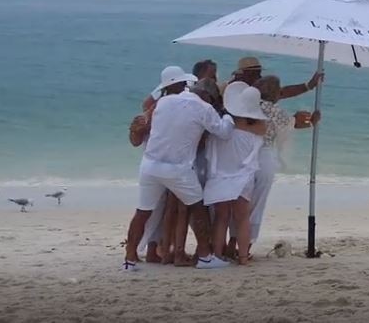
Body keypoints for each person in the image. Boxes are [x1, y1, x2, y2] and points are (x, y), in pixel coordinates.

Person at [123, 65, 236, 271]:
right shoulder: (202, 107)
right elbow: (224, 132)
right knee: (198, 208)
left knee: (142, 212)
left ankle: (129, 260)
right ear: (185, 84)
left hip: (149, 165)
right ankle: (205, 257)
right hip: (178, 169)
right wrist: (228, 115)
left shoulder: (161, 104)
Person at [248, 75, 320, 251]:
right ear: (276, 93)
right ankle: (246, 247)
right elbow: (291, 126)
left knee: (241, 202)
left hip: (244, 156)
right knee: (257, 203)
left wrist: (308, 85)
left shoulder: (247, 106)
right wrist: (313, 121)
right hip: (264, 157)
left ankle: (231, 244)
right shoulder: (276, 112)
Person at [202, 82, 267, 268]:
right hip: (243, 178)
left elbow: (210, 154)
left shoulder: (220, 131)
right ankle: (243, 258)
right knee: (242, 218)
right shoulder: (255, 134)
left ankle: (217, 255)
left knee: (221, 218)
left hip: (220, 177)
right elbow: (262, 128)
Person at [226, 57, 323, 100]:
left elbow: (282, 92)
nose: (260, 76)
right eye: (256, 73)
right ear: (246, 73)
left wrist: (308, 86)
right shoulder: (232, 89)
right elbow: (281, 93)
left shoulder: (256, 87)